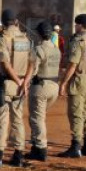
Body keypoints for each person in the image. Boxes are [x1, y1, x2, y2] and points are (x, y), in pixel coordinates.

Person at [0, 9, 32, 168]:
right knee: (18, 120)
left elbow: (5, 64)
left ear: (3, 22)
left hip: (7, 83)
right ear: (15, 21)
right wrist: (24, 82)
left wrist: (17, 81)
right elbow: (32, 63)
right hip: (21, 84)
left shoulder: (3, 38)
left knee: (1, 120)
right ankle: (18, 155)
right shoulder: (25, 38)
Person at [58, 13, 86, 158]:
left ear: (80, 25)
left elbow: (73, 64)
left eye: (76, 24)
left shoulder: (79, 41)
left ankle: (76, 145)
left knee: (76, 113)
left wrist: (63, 82)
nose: (75, 27)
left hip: (78, 80)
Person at [27, 21, 61, 162]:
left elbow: (33, 70)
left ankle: (40, 148)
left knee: (37, 118)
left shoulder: (38, 49)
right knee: (39, 116)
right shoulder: (56, 49)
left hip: (41, 86)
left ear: (39, 34)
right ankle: (36, 144)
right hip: (54, 86)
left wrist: (25, 81)